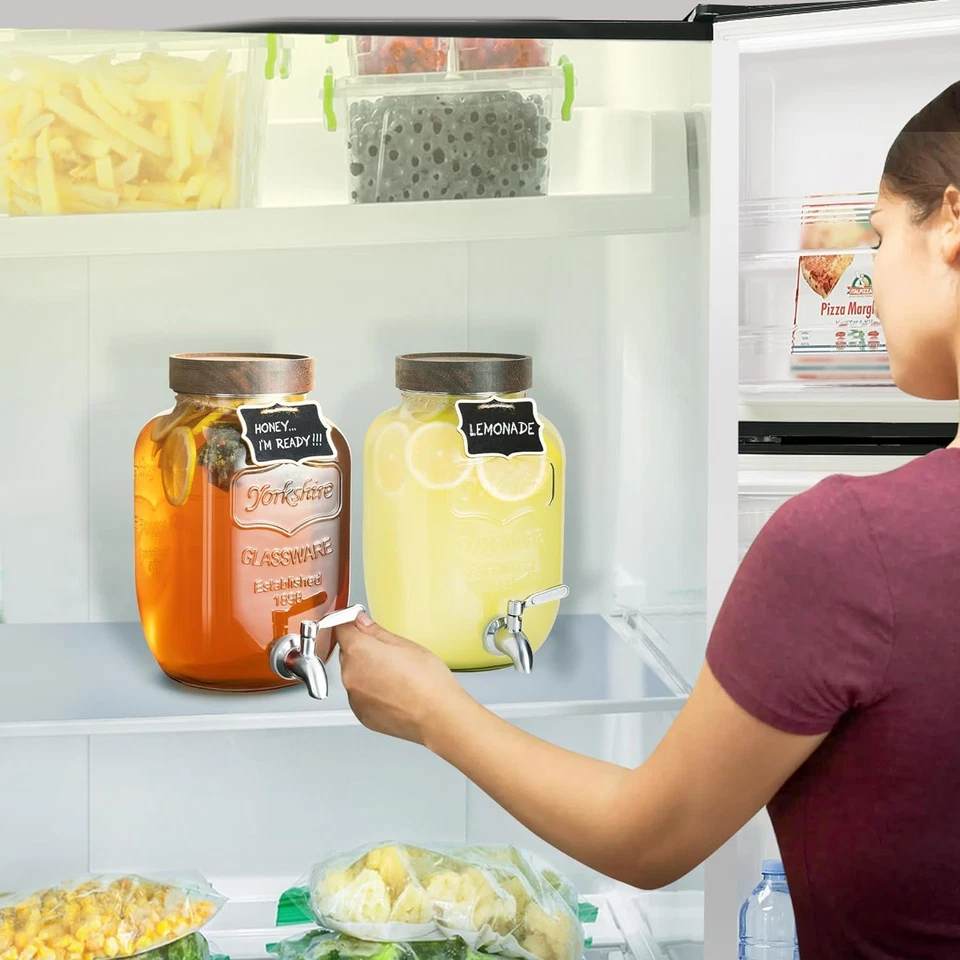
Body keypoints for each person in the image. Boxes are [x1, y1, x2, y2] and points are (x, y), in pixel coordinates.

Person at [334, 80, 960, 960]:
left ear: (952, 226)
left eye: (878, 234)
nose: (867, 271)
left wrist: (432, 706)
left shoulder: (852, 549)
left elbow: (649, 837)